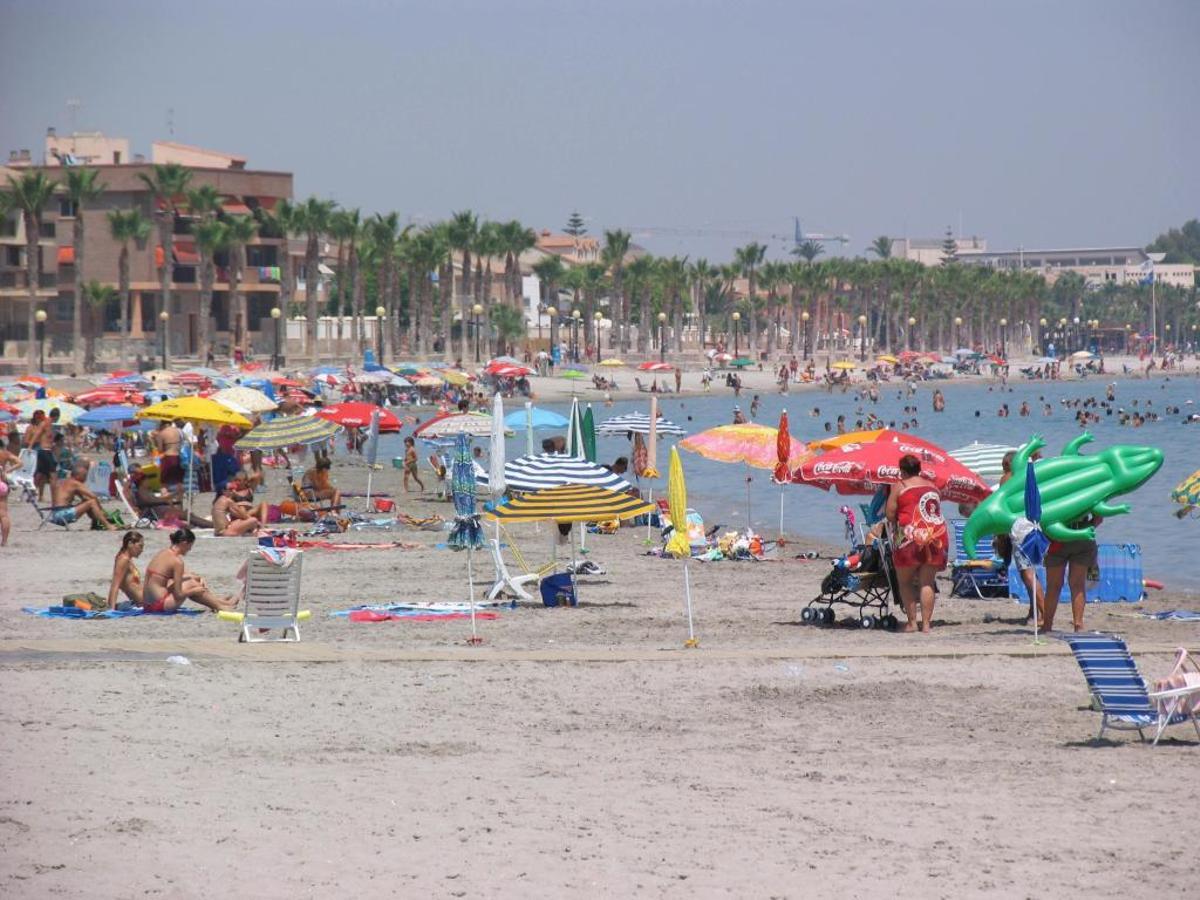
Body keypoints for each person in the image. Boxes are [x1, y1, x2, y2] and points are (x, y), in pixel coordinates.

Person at [886, 454, 948, 633]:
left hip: (911, 537)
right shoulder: (933, 486)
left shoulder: (900, 486)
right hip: (936, 536)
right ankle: (927, 625)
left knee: (904, 581)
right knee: (927, 582)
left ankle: (913, 623)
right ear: (919, 469)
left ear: (903, 471)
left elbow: (890, 514)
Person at [998, 450, 1044, 627]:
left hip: (1020, 530)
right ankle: (1034, 611)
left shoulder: (1008, 478)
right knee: (1031, 572)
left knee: (1028, 574)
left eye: (1004, 466)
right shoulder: (1029, 476)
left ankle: (1043, 614)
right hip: (1035, 526)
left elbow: (1003, 504)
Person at [143, 528, 236, 613]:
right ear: (184, 543)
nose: (190, 549)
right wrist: (195, 590)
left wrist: (198, 578)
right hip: (160, 605)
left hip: (148, 605)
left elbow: (184, 575)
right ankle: (220, 606)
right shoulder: (177, 561)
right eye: (190, 546)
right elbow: (179, 594)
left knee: (190, 579)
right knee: (191, 584)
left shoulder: (163, 553)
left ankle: (220, 602)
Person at [1043, 514, 1101, 633]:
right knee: (1078, 585)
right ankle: (1078, 626)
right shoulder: (1086, 494)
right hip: (1082, 535)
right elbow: (1099, 518)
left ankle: (1047, 625)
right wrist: (1087, 528)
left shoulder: (1051, 494)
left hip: (1056, 535)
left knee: (1053, 586)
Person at [50, 462, 116, 530]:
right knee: (92, 502)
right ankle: (108, 525)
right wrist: (102, 511)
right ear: (78, 476)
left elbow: (85, 498)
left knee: (87, 501)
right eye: (84, 476)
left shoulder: (65, 482)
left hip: (55, 514)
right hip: (62, 515)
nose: (85, 479)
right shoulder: (75, 483)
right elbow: (93, 496)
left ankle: (95, 524)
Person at [106, 531, 146, 608]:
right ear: (130, 544)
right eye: (140, 546)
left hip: (141, 601)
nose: (142, 550)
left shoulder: (127, 559)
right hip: (141, 602)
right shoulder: (123, 560)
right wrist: (111, 610)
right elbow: (115, 585)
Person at [156, 419, 184, 497]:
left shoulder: (162, 433)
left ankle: (165, 499)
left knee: (164, 482)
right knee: (179, 481)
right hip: (178, 457)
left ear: (163, 424)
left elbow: (160, 449)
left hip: (168, 457)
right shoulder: (178, 431)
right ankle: (180, 502)